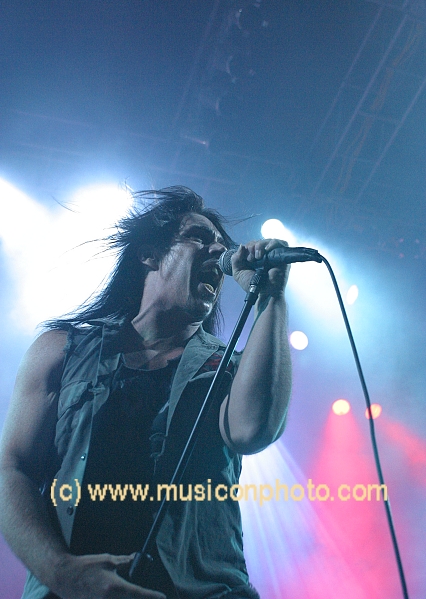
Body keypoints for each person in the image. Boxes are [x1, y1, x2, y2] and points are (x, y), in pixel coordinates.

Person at [0, 186, 292, 599]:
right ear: (149, 256)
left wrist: (270, 297)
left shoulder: (230, 367)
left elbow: (251, 431)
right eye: (199, 238)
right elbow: (12, 469)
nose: (217, 252)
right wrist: (60, 572)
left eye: (221, 245)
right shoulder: (62, 350)